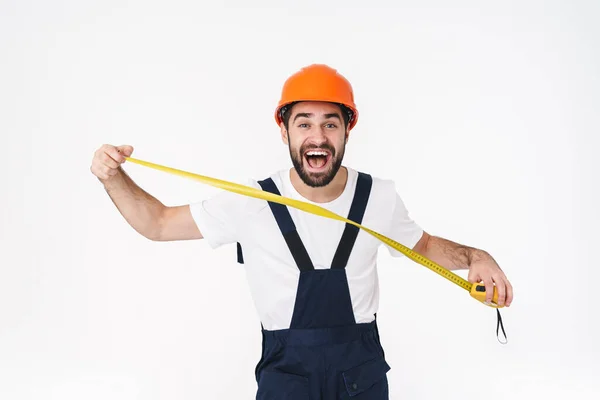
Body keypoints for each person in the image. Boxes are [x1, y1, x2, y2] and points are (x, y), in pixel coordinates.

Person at [90, 64, 513, 399]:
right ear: (284, 130)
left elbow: (422, 245)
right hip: (286, 380)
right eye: (304, 122)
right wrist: (113, 178)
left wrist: (476, 257)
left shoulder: (378, 197)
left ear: (348, 130)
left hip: (360, 377)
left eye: (331, 123)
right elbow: (158, 224)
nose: (318, 135)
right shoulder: (250, 201)